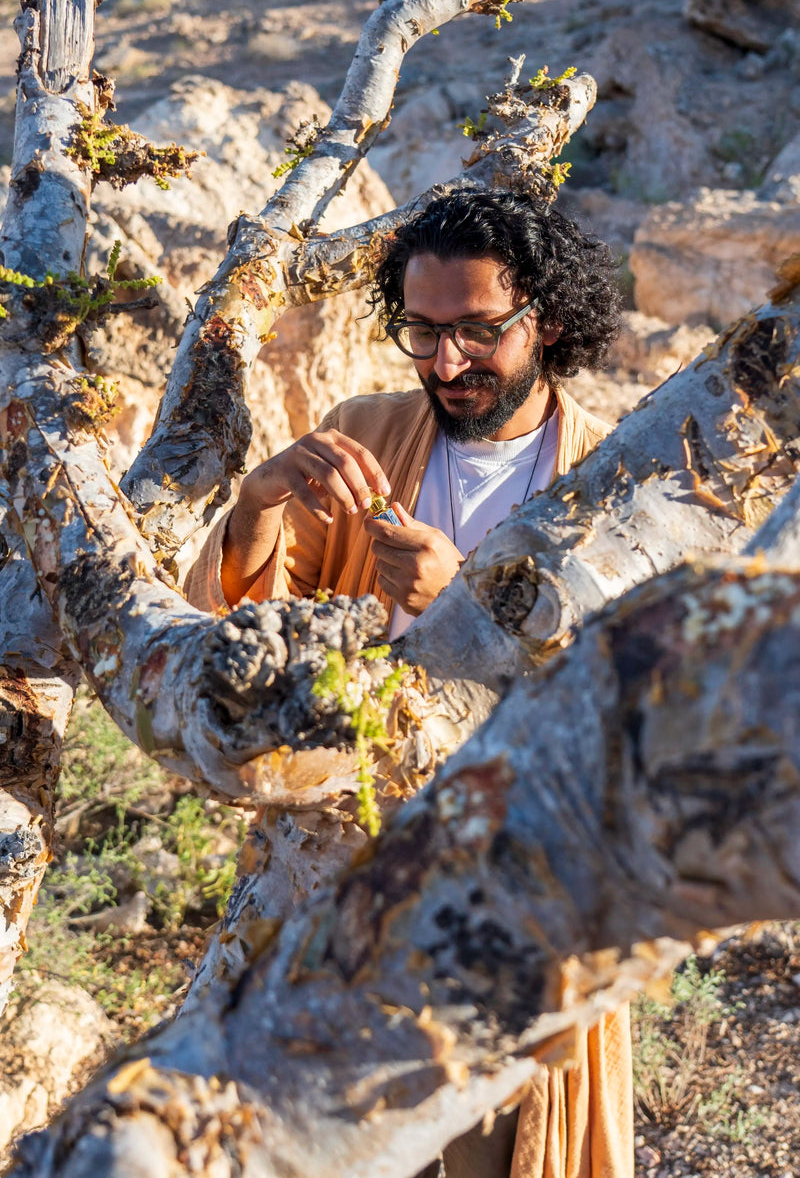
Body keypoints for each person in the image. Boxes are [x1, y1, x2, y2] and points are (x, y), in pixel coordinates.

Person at [186, 188, 631, 1178]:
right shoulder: (366, 431)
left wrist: (466, 609)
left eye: (477, 331)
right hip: (337, 883)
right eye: (421, 332)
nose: (446, 363)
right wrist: (257, 506)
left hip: (504, 916)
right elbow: (240, 641)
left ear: (549, 320)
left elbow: (629, 714)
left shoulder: (606, 481)